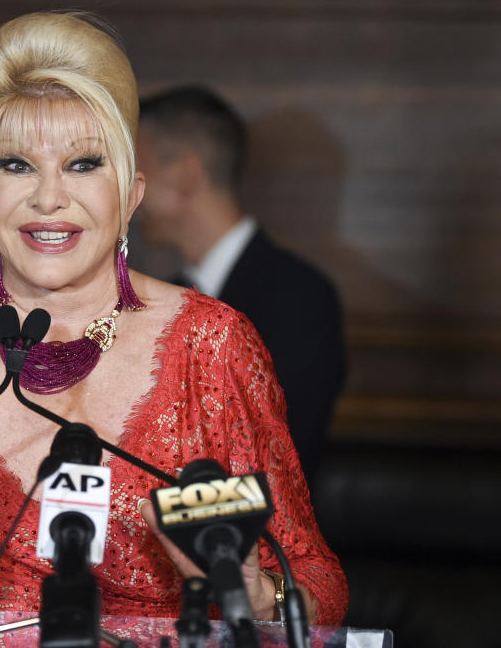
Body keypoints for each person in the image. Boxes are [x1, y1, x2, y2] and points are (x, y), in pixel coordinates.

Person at [0, 11, 347, 625]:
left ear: (131, 193)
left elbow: (317, 582)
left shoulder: (211, 344)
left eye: (84, 164)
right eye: (15, 165)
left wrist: (262, 596)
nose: (48, 197)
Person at [136, 86, 346, 487]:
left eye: (137, 172)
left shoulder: (300, 298)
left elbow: (276, 466)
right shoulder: (165, 298)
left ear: (184, 174)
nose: (128, 193)